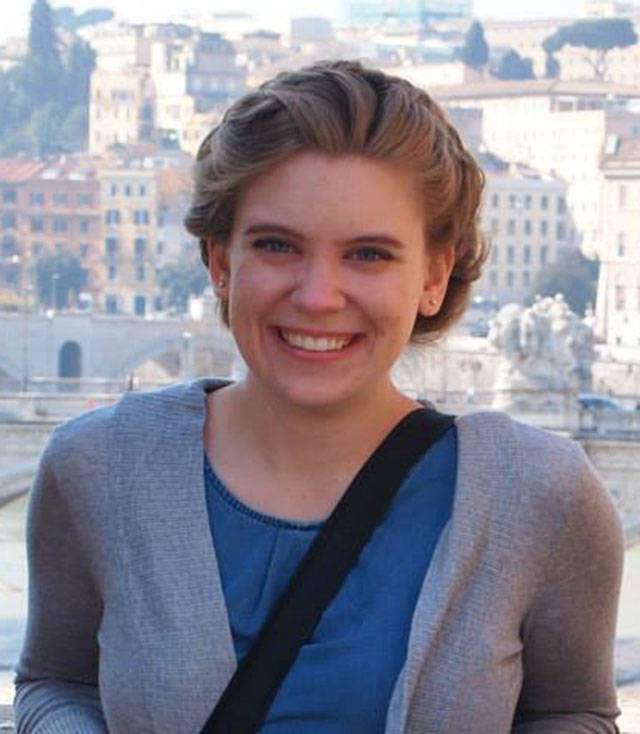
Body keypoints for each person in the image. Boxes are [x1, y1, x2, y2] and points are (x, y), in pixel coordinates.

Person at [14, 61, 624, 733]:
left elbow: (573, 713)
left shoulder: (541, 496)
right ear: (220, 262)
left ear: (435, 275)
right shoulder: (99, 467)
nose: (317, 296)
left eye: (368, 254)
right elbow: (56, 683)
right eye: (278, 245)